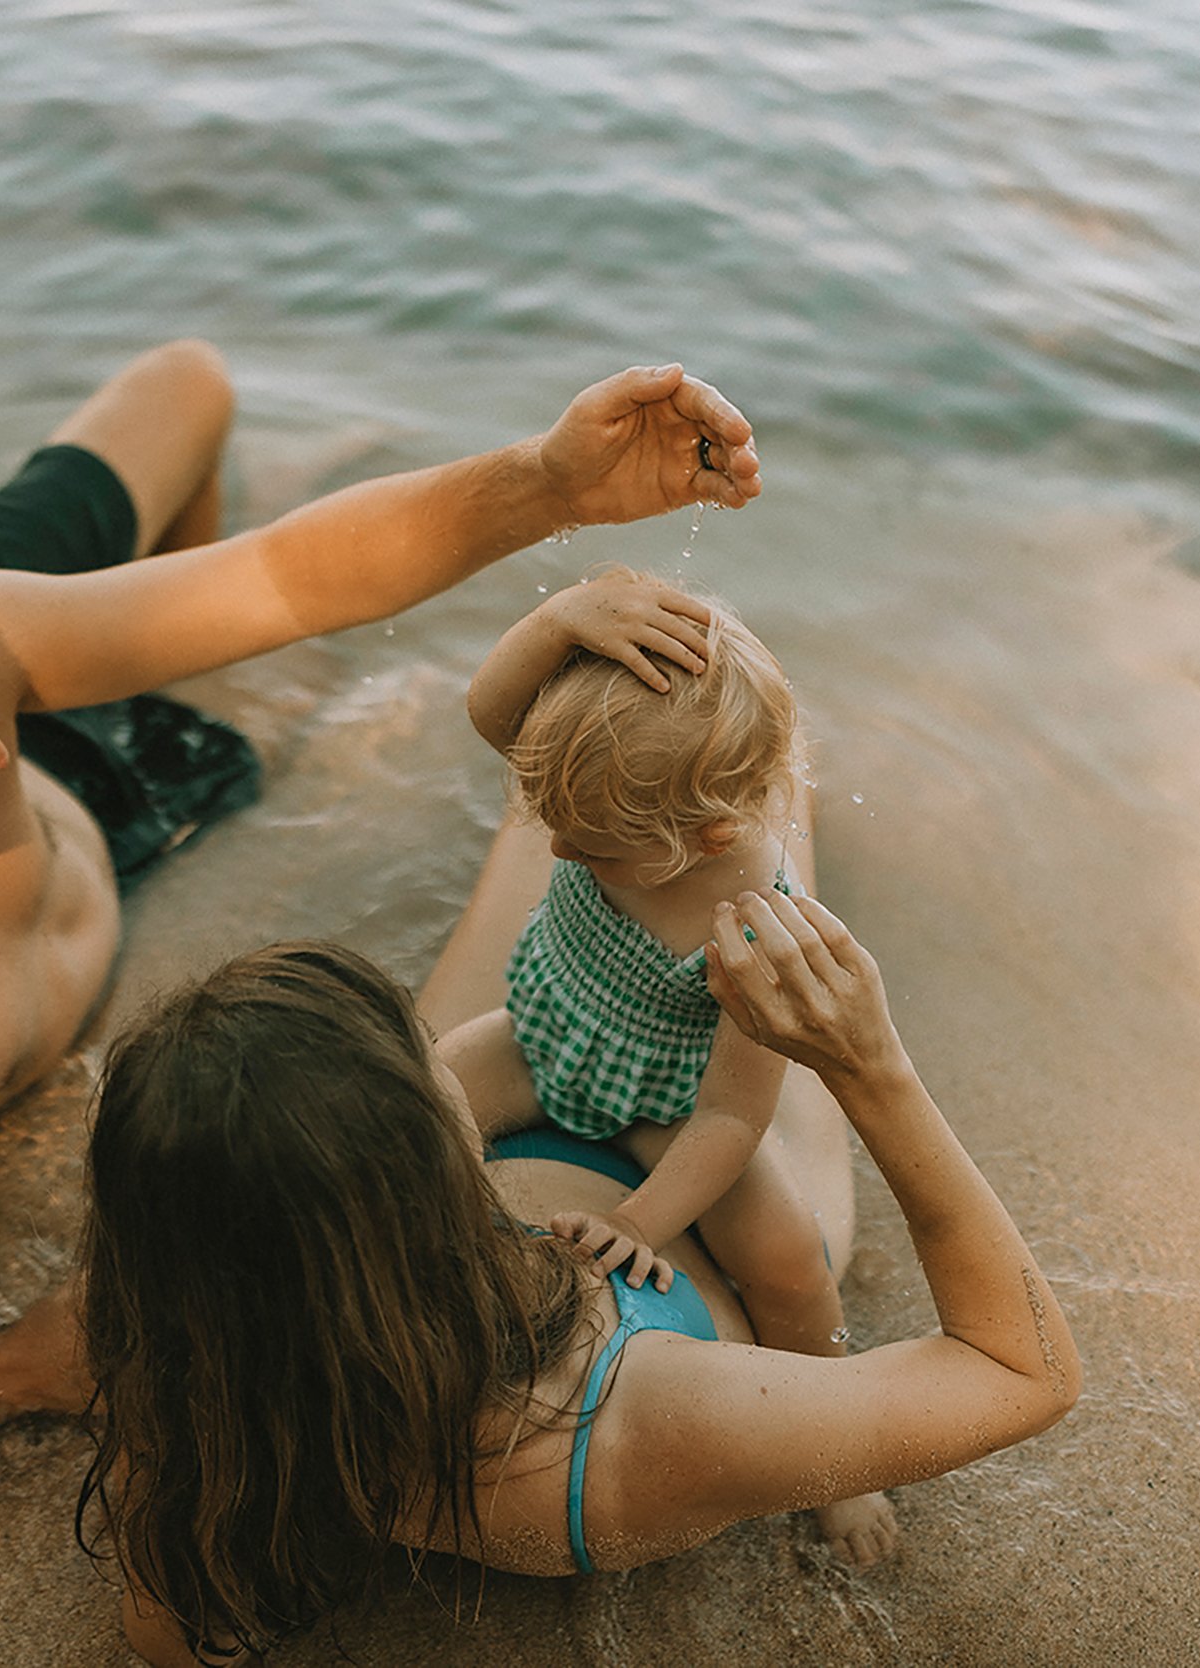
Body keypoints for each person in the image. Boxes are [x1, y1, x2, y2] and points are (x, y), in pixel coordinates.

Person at [0, 341, 763, 1454]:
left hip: (22, 773)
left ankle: (155, 647)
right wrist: (14, 1366)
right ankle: (182, 664)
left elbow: (284, 576)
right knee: (258, 697)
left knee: (187, 389)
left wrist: (550, 482)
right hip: (74, 810)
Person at [79, 843, 1080, 1665]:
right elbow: (1021, 1372)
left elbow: (162, 1636)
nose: (444, 1060)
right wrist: (875, 1070)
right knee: (760, 853)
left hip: (489, 1146)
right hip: (692, 1212)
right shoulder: (649, 1428)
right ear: (425, 1156)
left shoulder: (192, 1376)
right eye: (427, 1067)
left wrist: (556, 634)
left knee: (585, 798)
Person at [435, 568, 897, 1559]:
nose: (556, 848)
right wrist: (556, 619)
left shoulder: (756, 927)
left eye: (591, 849)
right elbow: (489, 712)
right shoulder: (603, 802)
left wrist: (640, 1222)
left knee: (789, 1265)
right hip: (536, 1036)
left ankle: (837, 1464)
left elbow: (732, 1117)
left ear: (709, 836)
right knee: (419, 1092)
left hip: (667, 1106)